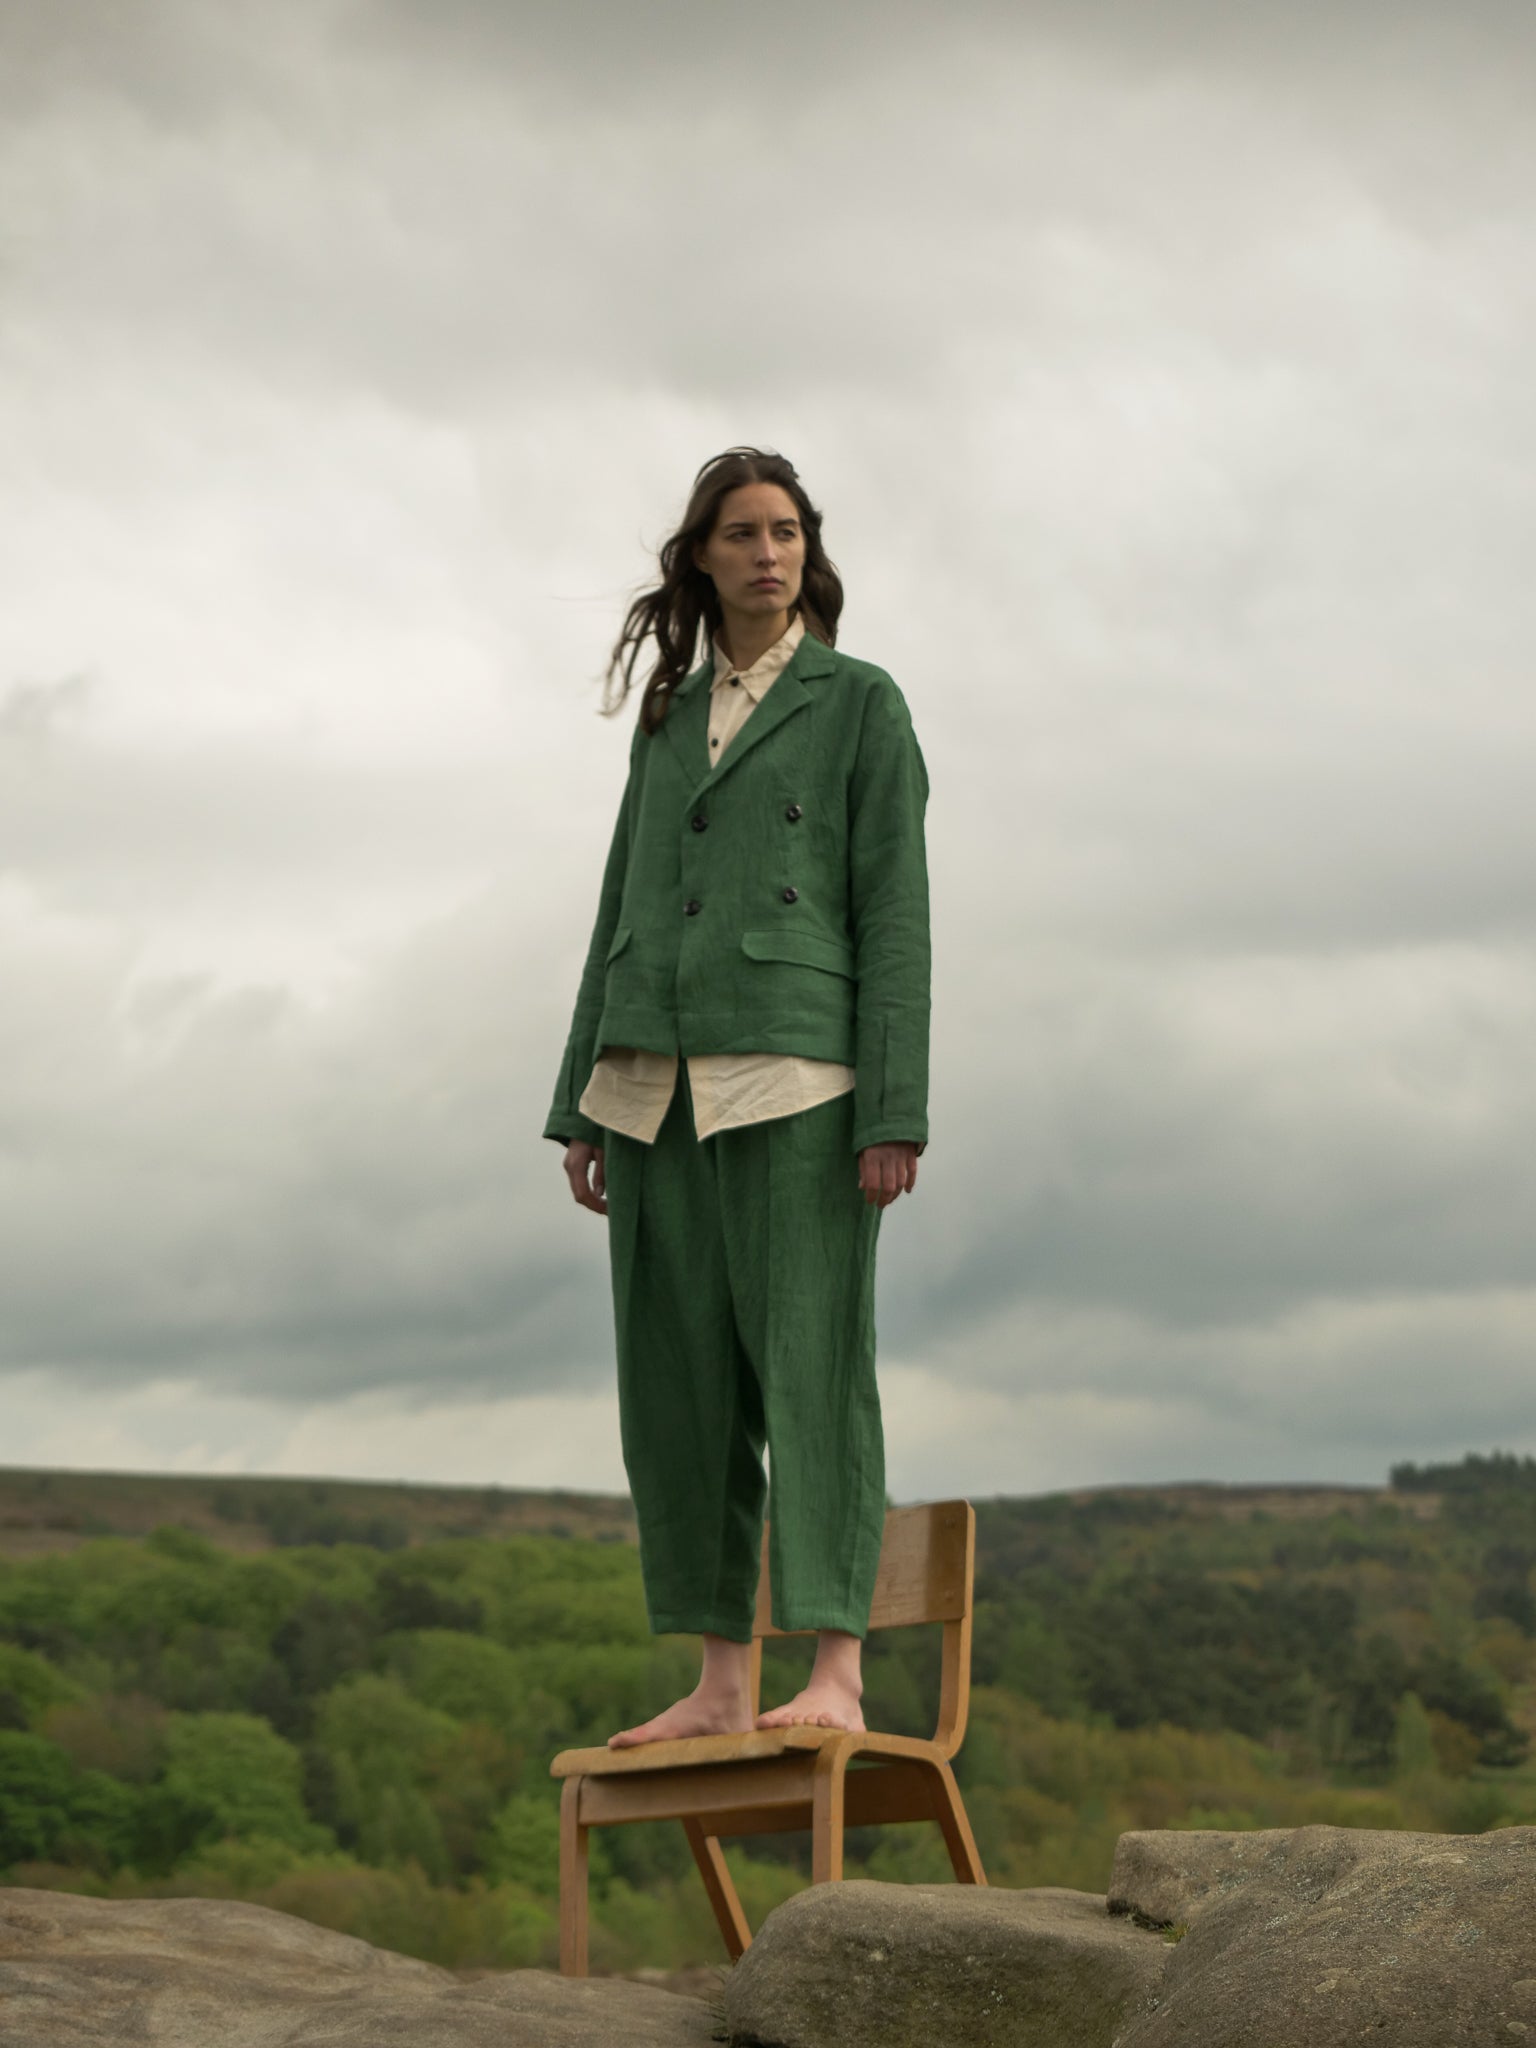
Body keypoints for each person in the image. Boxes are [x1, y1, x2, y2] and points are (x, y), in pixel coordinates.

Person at [542, 446, 930, 1748]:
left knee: (814, 1373)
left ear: (809, 555)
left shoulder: (861, 704)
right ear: (701, 557)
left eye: (788, 532)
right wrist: (581, 1099)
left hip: (800, 1076)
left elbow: (898, 917)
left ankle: (835, 1669)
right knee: (680, 1386)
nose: (768, 553)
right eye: (742, 533)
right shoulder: (664, 719)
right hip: (652, 1079)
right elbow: (621, 903)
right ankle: (719, 1680)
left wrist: (893, 1106)